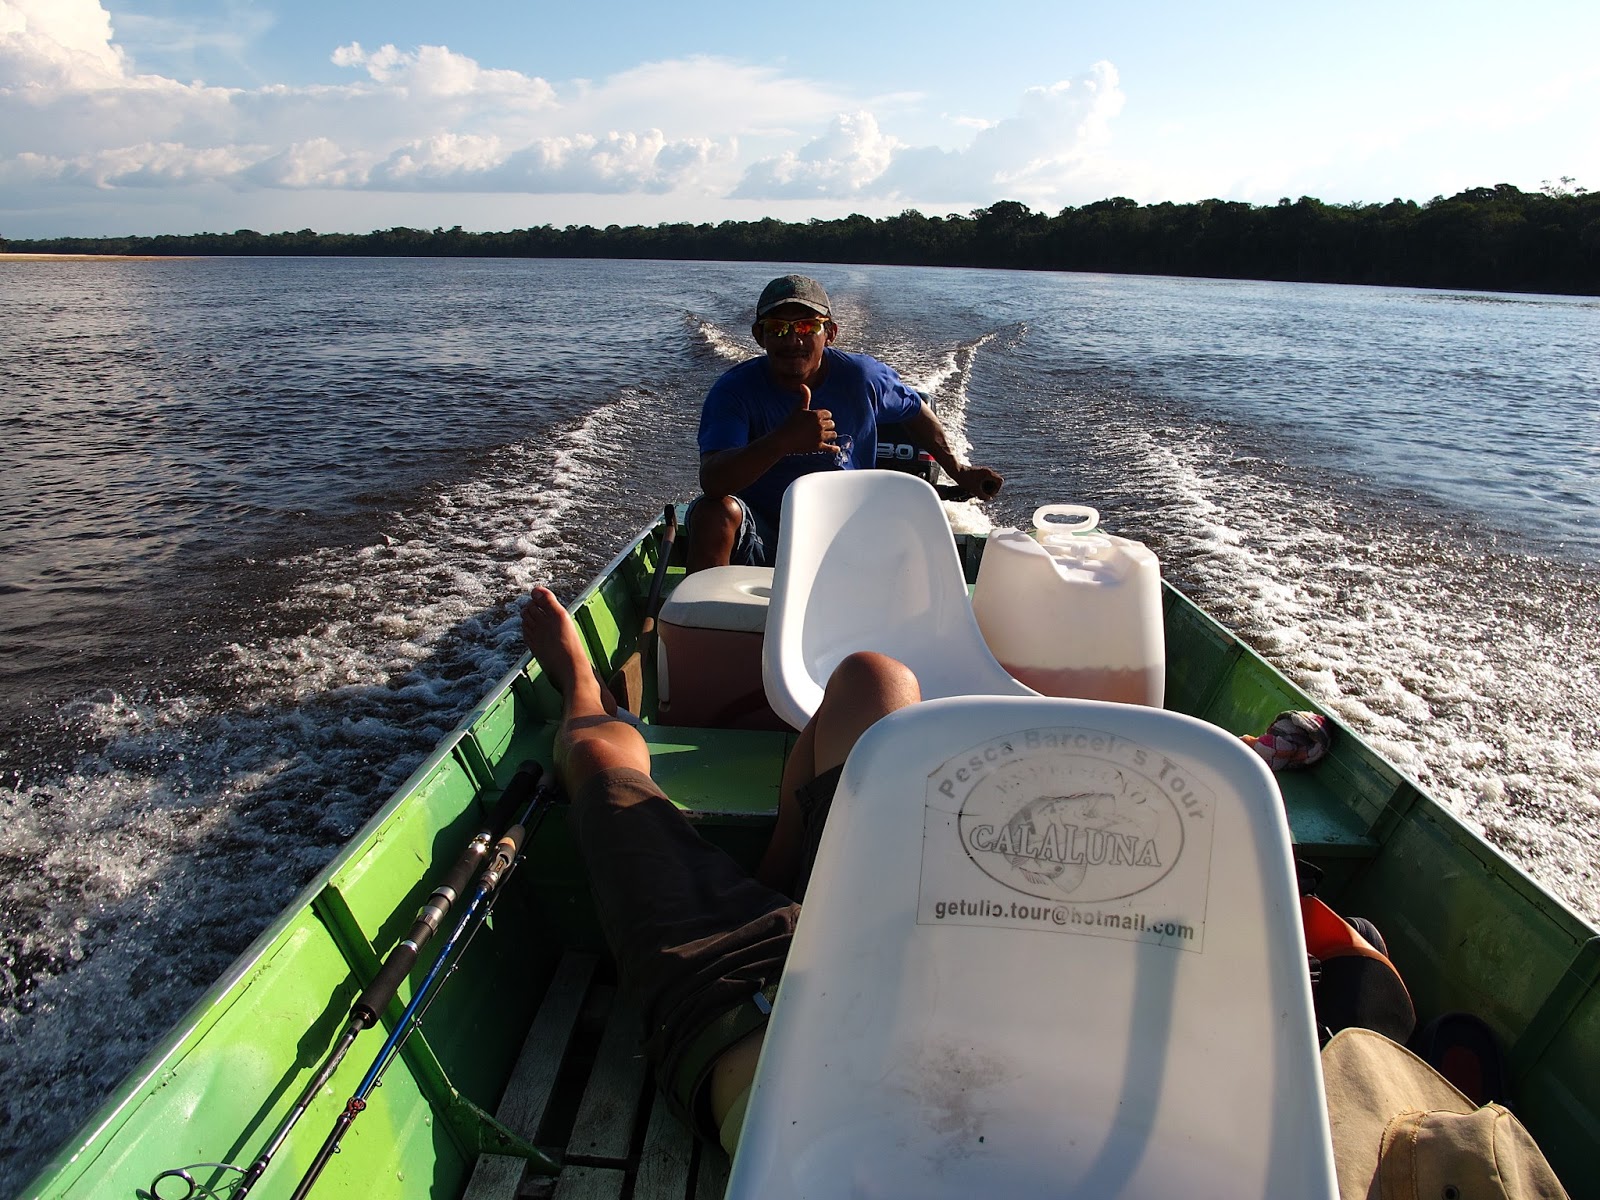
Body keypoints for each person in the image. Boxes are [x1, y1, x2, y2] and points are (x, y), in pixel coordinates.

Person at [520, 585, 920, 1154]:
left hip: (741, 1001)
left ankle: (581, 689)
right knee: (873, 680)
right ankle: (784, 871)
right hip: (896, 955)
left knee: (598, 764)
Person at [687, 274, 1005, 571]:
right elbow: (713, 481)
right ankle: (705, 610)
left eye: (807, 327)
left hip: (846, 534)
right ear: (760, 336)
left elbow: (915, 410)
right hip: (764, 533)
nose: (793, 340)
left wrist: (958, 470)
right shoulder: (734, 391)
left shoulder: (861, 379)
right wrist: (783, 441)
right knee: (712, 514)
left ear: (830, 334)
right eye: (777, 328)